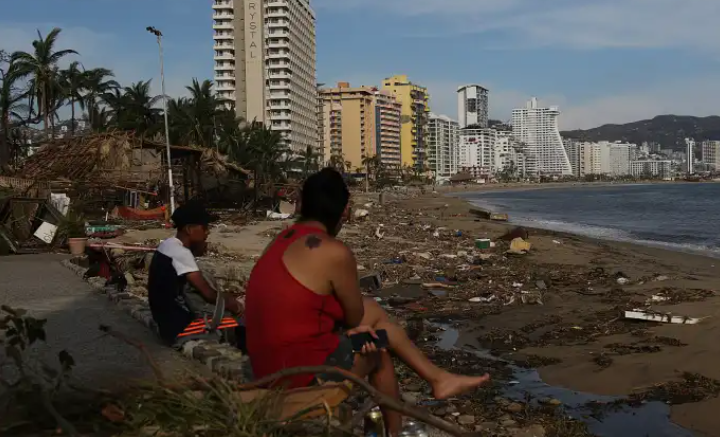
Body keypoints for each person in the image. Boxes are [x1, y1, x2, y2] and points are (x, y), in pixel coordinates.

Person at [245, 168, 489, 434]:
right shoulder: (333, 251)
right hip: (298, 377)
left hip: (266, 367)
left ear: (301, 204)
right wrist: (353, 332)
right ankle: (399, 426)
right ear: (345, 211)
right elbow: (353, 318)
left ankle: (437, 378)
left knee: (375, 315)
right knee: (378, 349)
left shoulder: (279, 241)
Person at [147, 201, 245, 347]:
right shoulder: (181, 253)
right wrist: (235, 305)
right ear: (189, 229)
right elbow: (209, 294)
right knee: (240, 323)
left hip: (163, 319)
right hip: (177, 328)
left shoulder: (167, 244)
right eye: (204, 228)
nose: (207, 232)